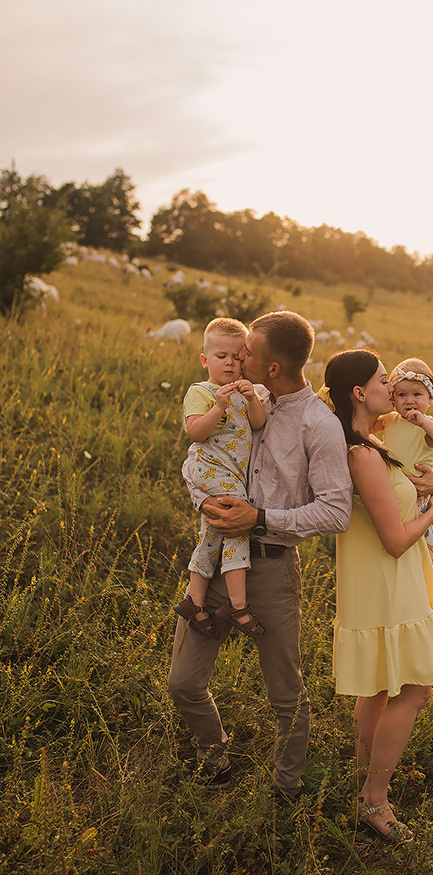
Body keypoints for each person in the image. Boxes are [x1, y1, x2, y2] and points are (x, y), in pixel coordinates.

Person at [169, 311, 361, 801]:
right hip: (215, 558)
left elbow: (336, 512)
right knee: (184, 684)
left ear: (272, 367)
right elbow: (199, 458)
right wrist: (205, 500)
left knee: (285, 695)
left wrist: (258, 518)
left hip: (272, 568)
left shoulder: (318, 425)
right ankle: (215, 761)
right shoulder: (234, 399)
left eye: (247, 353)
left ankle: (287, 788)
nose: (237, 359)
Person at [320, 349, 433, 843]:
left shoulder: (373, 443)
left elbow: (411, 474)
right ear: (360, 393)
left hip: (385, 579)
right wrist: (432, 515)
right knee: (415, 689)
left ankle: (364, 782)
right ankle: (375, 798)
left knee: (378, 688)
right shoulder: (362, 453)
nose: (394, 385)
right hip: (385, 577)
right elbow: (396, 538)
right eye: (385, 380)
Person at [175, 317, 267, 640]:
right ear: (205, 360)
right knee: (235, 525)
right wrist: (219, 407)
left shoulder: (247, 391)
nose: (230, 363)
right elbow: (195, 431)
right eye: (221, 356)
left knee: (213, 535)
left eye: (237, 357)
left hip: (231, 474)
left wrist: (252, 398)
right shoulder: (201, 391)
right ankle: (238, 605)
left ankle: (194, 600)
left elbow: (257, 425)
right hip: (212, 468)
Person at [379, 357, 433, 596]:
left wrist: (423, 422)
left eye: (417, 395)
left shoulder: (430, 425)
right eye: (401, 395)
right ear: (393, 398)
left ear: (430, 399)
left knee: (425, 535)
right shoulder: (390, 420)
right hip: (393, 490)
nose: (410, 401)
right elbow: (364, 426)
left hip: (420, 494)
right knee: (397, 534)